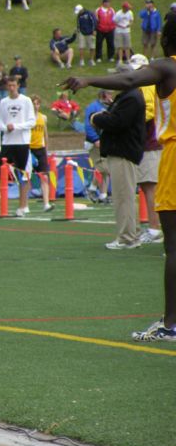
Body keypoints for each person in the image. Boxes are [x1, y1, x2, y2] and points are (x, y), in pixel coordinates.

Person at [63, 17, 176, 341]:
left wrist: (86, 79)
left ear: (167, 39)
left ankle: (170, 324)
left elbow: (130, 79)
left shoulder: (168, 67)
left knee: (174, 246)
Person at [89, 73, 146, 249]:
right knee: (125, 195)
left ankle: (127, 237)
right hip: (124, 151)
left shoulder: (131, 98)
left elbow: (118, 122)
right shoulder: (129, 96)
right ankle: (132, 233)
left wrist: (96, 118)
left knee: (123, 196)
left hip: (123, 152)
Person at [0, 78, 36, 217]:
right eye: (9, 85)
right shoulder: (4, 102)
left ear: (18, 86)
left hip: (22, 142)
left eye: (13, 85)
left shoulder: (26, 100)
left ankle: (22, 206)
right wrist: (6, 128)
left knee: (22, 175)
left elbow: (31, 121)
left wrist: (16, 126)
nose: (11, 88)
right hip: (7, 143)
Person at [130, 54, 164, 245]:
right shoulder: (153, 84)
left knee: (150, 186)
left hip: (149, 142)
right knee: (150, 186)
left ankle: (154, 228)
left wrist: (129, 121)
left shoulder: (146, 86)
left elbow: (148, 112)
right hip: (153, 141)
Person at [83, 89, 113, 203]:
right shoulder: (93, 107)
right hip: (95, 141)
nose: (111, 95)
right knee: (103, 167)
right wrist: (95, 139)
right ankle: (91, 188)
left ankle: (103, 195)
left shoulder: (109, 106)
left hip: (106, 140)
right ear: (104, 94)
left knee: (105, 169)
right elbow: (88, 125)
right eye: (109, 93)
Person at [29, 94, 54, 212]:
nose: (36, 105)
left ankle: (46, 203)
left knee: (44, 176)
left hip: (40, 148)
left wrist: (46, 149)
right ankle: (24, 205)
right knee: (25, 176)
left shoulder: (43, 117)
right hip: (29, 148)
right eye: (33, 103)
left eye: (37, 103)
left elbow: (45, 133)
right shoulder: (27, 118)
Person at [95, 0, 116, 64]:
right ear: (103, 3)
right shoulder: (98, 10)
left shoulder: (112, 10)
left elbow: (114, 18)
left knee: (110, 43)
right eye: (106, 2)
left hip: (110, 29)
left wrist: (113, 27)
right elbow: (96, 19)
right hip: (100, 29)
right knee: (99, 43)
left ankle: (110, 56)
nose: (107, 4)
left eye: (108, 2)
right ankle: (98, 57)